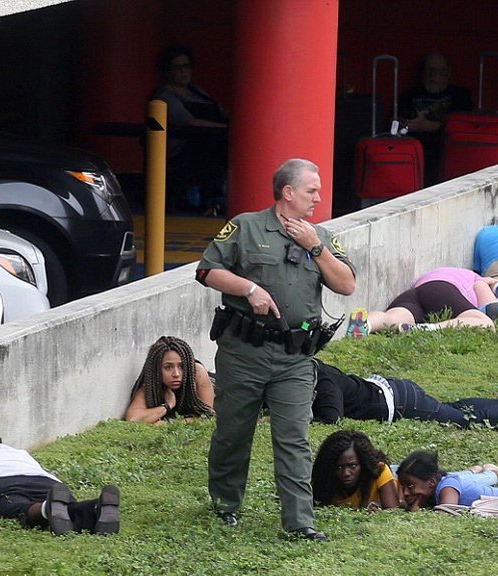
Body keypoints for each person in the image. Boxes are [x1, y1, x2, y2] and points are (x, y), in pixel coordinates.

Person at [195, 158, 357, 541]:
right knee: (234, 431)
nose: (318, 198)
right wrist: (248, 289)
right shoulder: (246, 227)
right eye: (311, 191)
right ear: (288, 192)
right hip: (244, 352)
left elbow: (347, 285)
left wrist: (315, 247)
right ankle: (225, 505)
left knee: (294, 438)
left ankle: (299, 522)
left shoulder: (320, 237)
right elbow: (206, 271)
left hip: (295, 357)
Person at [0, 428, 121, 535]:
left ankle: (45, 509)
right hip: (46, 482)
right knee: (66, 510)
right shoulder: (18, 453)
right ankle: (95, 508)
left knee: (12, 508)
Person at [311, 359, 498, 427]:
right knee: (455, 408)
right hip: (395, 390)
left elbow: (331, 418)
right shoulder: (321, 370)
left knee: (462, 421)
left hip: (400, 402)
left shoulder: (322, 381)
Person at [311, 430, 498, 510]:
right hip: (402, 479)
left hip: (397, 478)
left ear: (361, 464)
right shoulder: (329, 484)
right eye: (339, 468)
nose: (346, 473)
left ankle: (490, 473)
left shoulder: (378, 471)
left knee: (455, 481)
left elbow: (393, 509)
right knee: (452, 479)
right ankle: (478, 471)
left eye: (352, 466)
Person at [151, 44, 229, 213]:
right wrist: (224, 128)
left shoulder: (196, 90)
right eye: (178, 68)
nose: (184, 72)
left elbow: (219, 110)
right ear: (167, 71)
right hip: (183, 151)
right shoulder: (165, 96)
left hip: (211, 145)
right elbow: (190, 122)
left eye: (187, 66)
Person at [345, 266, 498, 338]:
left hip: (416, 293)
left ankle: (366, 323)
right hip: (442, 289)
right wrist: (488, 286)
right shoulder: (478, 280)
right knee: (486, 323)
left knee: (392, 318)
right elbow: (491, 309)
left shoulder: (449, 271)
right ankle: (425, 329)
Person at [398, 52, 473, 185]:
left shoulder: (461, 96)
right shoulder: (409, 96)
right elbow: (399, 125)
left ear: (448, 73)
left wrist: (428, 126)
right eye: (430, 69)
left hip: (449, 152)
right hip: (417, 153)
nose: (434, 74)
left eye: (439, 70)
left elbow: (465, 127)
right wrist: (408, 126)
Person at [124, 336, 215, 425]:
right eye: (168, 367)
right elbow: (133, 419)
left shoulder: (197, 372)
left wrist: (170, 423)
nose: (176, 374)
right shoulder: (151, 384)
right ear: (157, 369)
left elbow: (208, 415)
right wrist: (168, 405)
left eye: (181, 367)